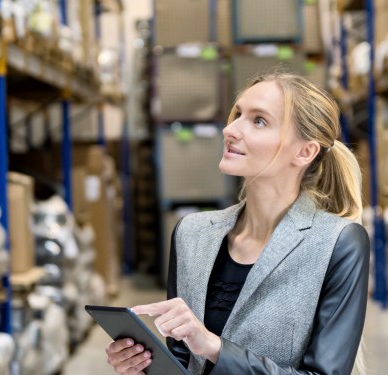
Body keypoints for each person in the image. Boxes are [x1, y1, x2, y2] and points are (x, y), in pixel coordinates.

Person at [105, 73, 370, 375]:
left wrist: (215, 348)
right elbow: (183, 362)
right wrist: (143, 367)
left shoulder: (337, 243)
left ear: (304, 152)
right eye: (238, 114)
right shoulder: (191, 234)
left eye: (259, 121)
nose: (230, 129)